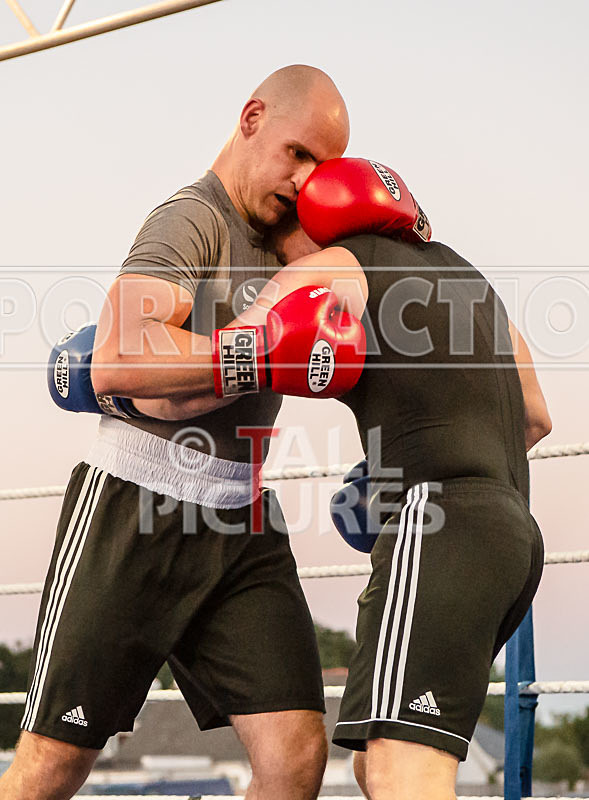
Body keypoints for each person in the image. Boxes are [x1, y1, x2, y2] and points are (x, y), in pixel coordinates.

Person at [122, 157, 552, 800]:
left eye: (280, 242)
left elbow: (232, 360)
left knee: (404, 773)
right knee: (378, 761)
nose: (275, 257)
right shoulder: (472, 282)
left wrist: (122, 394)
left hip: (443, 527)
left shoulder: (328, 267)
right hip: (516, 541)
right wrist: (403, 460)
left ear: (318, 220)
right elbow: (536, 419)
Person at [1, 65, 351, 800]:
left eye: (323, 166)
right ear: (252, 119)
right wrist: (256, 352)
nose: (305, 179)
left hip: (242, 518)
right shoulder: (190, 218)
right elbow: (117, 356)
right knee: (52, 767)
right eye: (297, 153)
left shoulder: (292, 239)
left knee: (294, 758)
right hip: (137, 503)